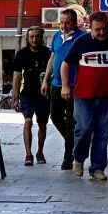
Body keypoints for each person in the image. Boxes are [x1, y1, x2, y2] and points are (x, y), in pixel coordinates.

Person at [60, 11, 108, 181]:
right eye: (97, 30)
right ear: (90, 28)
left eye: (103, 29)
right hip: (83, 96)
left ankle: (97, 168)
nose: (101, 33)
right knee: (84, 128)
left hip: (107, 97)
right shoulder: (82, 42)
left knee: (103, 133)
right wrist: (65, 86)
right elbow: (65, 64)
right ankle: (78, 159)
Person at [42, 9, 87, 170]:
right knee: (55, 116)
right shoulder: (56, 36)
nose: (63, 25)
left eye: (67, 22)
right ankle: (76, 143)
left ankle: (68, 159)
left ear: (75, 23)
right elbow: (52, 58)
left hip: (74, 85)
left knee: (70, 122)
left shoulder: (82, 38)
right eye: (61, 22)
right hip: (56, 84)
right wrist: (46, 80)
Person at [11, 26, 52, 166]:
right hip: (27, 94)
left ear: (42, 38)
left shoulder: (48, 53)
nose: (35, 39)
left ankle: (40, 152)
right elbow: (17, 75)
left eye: (37, 36)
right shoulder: (21, 54)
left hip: (44, 95)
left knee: (42, 124)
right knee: (28, 121)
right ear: (27, 39)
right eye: (32, 37)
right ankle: (28, 154)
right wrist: (15, 96)